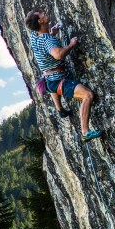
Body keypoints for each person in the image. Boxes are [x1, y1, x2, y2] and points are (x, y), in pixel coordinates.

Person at [25, 9, 101, 142]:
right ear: (39, 21)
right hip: (59, 79)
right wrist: (71, 44)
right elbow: (58, 54)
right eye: (41, 14)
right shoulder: (47, 40)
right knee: (87, 95)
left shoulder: (34, 36)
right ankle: (85, 132)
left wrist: (51, 32)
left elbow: (43, 41)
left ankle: (60, 109)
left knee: (53, 86)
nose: (44, 13)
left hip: (49, 80)